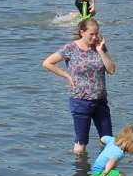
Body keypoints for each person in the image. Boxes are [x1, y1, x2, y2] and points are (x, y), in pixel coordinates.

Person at [43, 18, 115, 155]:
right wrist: (67, 76)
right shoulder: (70, 48)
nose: (95, 37)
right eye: (91, 34)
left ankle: (105, 172)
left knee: (108, 140)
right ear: (82, 32)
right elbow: (47, 63)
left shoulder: (100, 46)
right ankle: (81, 173)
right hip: (81, 101)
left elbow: (111, 70)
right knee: (81, 143)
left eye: (97, 34)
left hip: (100, 101)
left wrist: (101, 51)